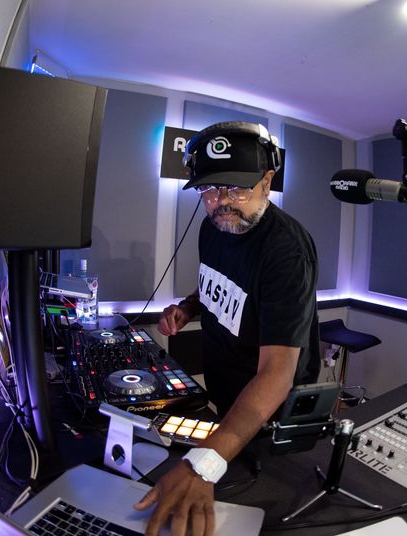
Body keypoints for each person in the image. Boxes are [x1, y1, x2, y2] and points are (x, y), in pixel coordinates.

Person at [134, 121, 320, 536]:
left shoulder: (286, 250)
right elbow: (213, 284)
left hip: (270, 418)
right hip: (225, 399)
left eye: (236, 189)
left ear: (267, 181)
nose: (221, 203)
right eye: (210, 189)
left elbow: (277, 374)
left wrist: (204, 463)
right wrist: (187, 308)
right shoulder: (213, 226)